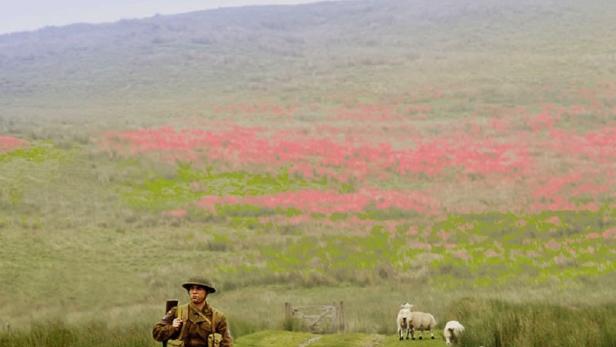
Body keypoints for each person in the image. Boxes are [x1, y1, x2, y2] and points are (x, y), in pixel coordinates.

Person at [153, 277, 233, 347]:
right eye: (192, 288)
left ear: (206, 292)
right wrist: (172, 328)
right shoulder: (177, 311)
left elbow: (226, 344)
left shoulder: (217, 317)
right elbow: (156, 333)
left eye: (198, 289)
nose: (194, 292)